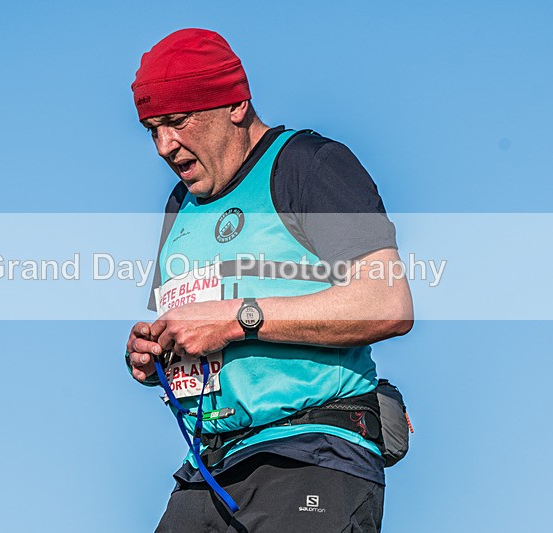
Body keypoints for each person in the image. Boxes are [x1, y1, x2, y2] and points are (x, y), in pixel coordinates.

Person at [124, 28, 413, 532]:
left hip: (313, 451)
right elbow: (194, 326)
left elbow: (388, 302)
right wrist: (157, 353)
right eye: (152, 128)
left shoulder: (307, 164)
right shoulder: (180, 205)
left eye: (176, 121)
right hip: (210, 466)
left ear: (234, 103)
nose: (164, 146)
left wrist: (237, 320)